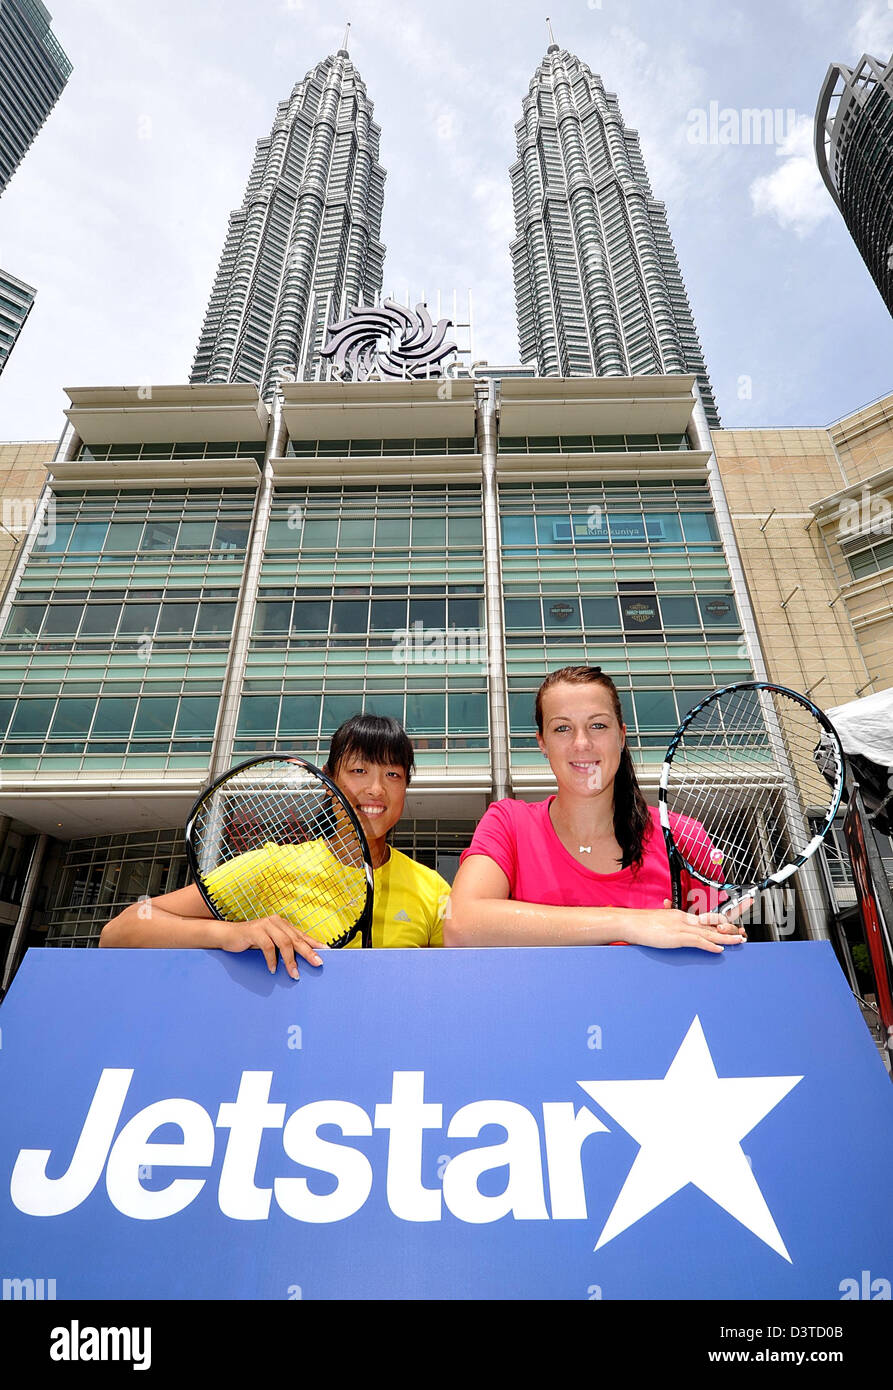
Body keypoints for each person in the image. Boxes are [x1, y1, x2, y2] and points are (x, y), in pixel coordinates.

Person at [100, 714, 449, 976]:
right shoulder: (271, 866)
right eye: (359, 771)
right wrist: (229, 932)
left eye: (393, 775)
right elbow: (121, 929)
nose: (376, 789)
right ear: (328, 779)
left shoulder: (431, 888)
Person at [444, 665, 747, 952]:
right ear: (542, 742)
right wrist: (628, 923)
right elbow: (460, 926)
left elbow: (714, 951)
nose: (581, 743)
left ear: (621, 736)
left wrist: (721, 934)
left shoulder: (683, 835)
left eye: (598, 725)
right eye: (562, 728)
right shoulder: (509, 822)